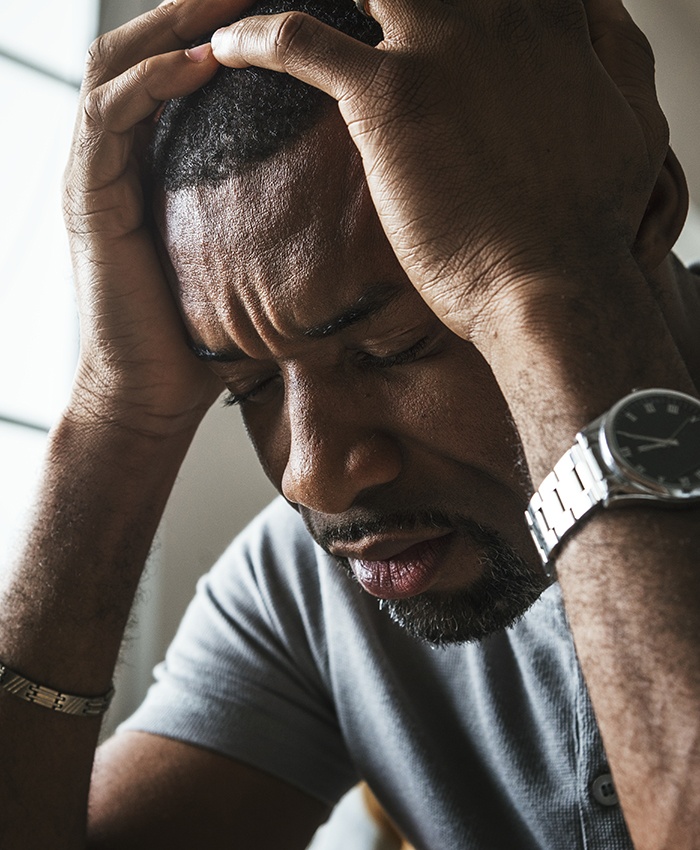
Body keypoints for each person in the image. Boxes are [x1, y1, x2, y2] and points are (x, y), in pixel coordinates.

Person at [0, 0, 698, 847]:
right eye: (246, 387)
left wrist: (547, 285)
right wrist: (116, 417)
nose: (314, 476)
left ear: (646, 209)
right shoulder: (307, 588)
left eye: (397, 347)